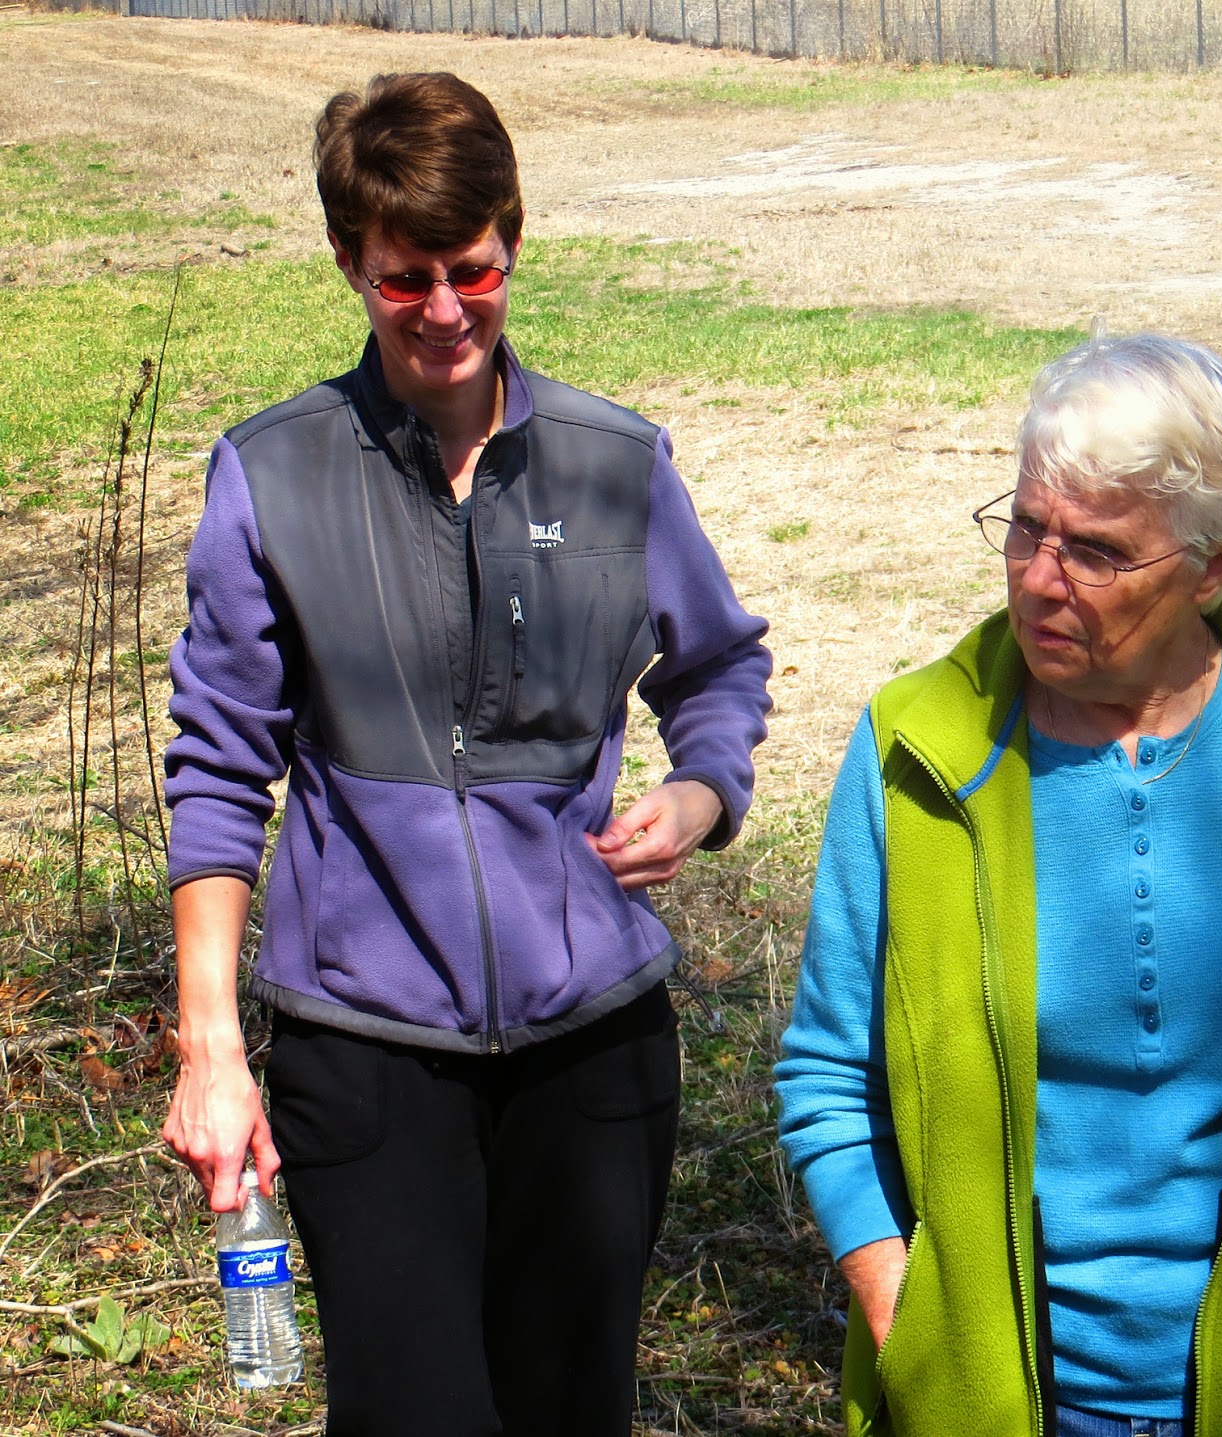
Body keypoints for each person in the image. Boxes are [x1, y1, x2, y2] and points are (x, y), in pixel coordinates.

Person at [161, 72, 771, 1437]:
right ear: (349, 261)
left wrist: (698, 791)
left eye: (473, 270)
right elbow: (219, 766)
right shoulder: (274, 474)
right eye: (405, 278)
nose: (444, 310)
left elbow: (719, 666)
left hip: (592, 1045)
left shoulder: (614, 463)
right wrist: (212, 1047)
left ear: (515, 240)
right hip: (365, 1051)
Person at [775, 329, 1222, 1437]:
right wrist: (915, 1329)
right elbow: (828, 1077)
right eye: (1025, 528)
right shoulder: (917, 747)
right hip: (988, 1404)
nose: (1040, 580)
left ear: (1215, 564)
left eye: (1096, 552)